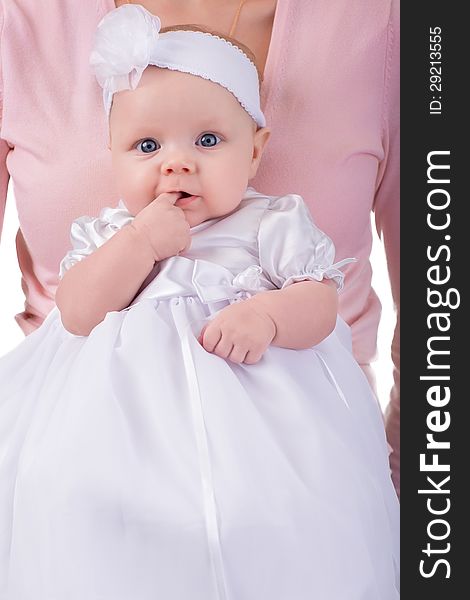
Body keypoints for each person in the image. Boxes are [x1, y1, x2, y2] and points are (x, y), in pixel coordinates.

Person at [0, 5, 399, 599]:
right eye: (146, 145)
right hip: (108, 448)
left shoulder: (272, 223)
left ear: (256, 150)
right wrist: (137, 244)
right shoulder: (112, 233)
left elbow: (320, 303)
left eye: (208, 140)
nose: (177, 161)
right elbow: (78, 310)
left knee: (300, 548)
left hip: (273, 454)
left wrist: (267, 315)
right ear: (112, 155)